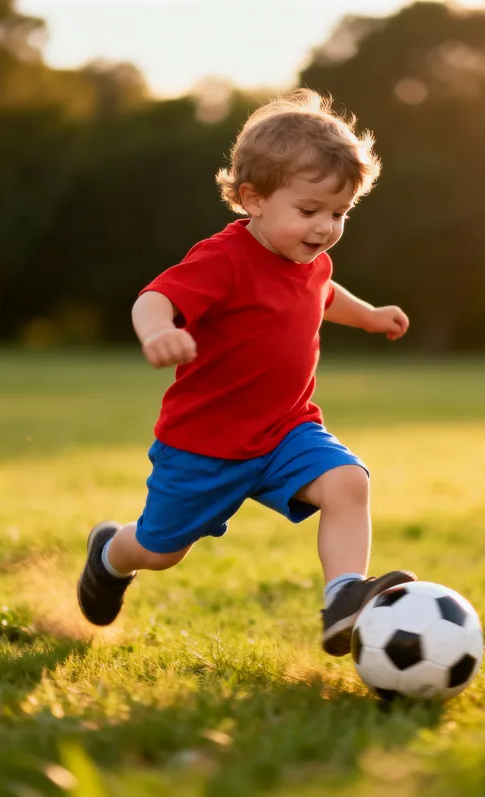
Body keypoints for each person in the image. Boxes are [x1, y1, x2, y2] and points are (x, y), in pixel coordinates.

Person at [77, 89, 415, 657]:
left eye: (339, 213)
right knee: (161, 550)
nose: (325, 228)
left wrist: (370, 316)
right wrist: (159, 331)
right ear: (252, 199)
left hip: (287, 429)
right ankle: (111, 554)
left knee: (348, 483)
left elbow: (324, 294)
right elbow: (154, 298)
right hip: (205, 444)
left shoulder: (312, 259)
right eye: (309, 211)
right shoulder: (224, 259)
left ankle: (343, 599)